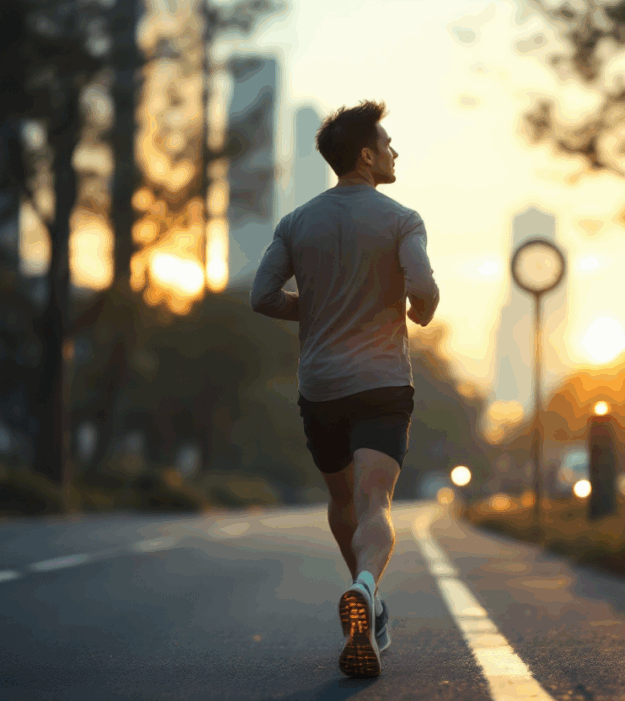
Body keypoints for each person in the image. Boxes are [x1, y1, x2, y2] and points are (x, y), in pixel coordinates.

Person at [250, 99, 439, 678]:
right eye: (387, 144)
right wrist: (414, 310)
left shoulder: (296, 222)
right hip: (382, 381)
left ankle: (368, 604)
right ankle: (365, 587)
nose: (394, 152)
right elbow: (425, 289)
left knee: (341, 501)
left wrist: (315, 309)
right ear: (366, 155)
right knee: (375, 501)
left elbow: (261, 296)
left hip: (323, 386)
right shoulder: (401, 218)